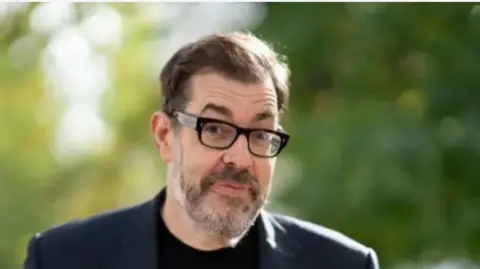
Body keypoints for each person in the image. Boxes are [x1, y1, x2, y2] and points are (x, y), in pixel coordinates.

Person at [23, 31, 379, 269]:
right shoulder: (63, 259)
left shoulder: (343, 264)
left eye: (260, 133)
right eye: (216, 128)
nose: (241, 158)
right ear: (165, 136)